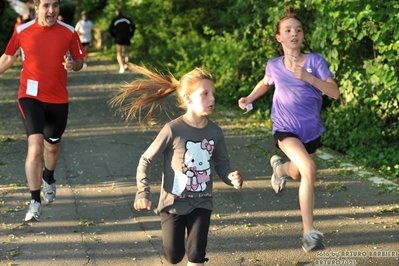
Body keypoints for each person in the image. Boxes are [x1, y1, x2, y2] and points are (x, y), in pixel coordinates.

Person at [110, 64, 243, 265]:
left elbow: (222, 164)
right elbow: (146, 160)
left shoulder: (215, 132)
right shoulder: (172, 130)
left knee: (196, 254)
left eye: (213, 93)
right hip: (173, 204)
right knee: (174, 256)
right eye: (205, 94)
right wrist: (143, 192)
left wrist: (230, 176)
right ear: (188, 98)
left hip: (202, 201)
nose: (212, 99)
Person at [238, 5, 340, 252]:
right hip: (285, 129)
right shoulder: (273, 65)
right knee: (309, 170)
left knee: (297, 173)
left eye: (298, 29)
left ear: (303, 35)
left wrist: (308, 77)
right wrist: (249, 98)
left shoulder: (315, 62)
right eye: (288, 30)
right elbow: (265, 82)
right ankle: (309, 234)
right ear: (279, 37)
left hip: (311, 130)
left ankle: (279, 168)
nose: (294, 33)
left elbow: (335, 93)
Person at [0, 0, 85, 222]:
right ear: (36, 8)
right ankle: (35, 202)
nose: (51, 10)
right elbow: (8, 57)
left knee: (52, 146)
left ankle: (49, 176)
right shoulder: (22, 30)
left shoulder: (69, 32)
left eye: (55, 5)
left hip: (58, 99)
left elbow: (79, 60)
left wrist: (72, 66)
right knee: (36, 146)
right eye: (46, 5)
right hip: (29, 97)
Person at [108, 9, 135, 73]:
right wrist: (131, 34)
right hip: (126, 37)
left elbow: (110, 29)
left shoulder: (114, 20)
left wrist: (114, 35)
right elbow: (133, 27)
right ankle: (126, 64)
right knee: (127, 52)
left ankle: (121, 66)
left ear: (116, 14)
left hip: (118, 38)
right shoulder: (127, 19)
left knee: (119, 53)